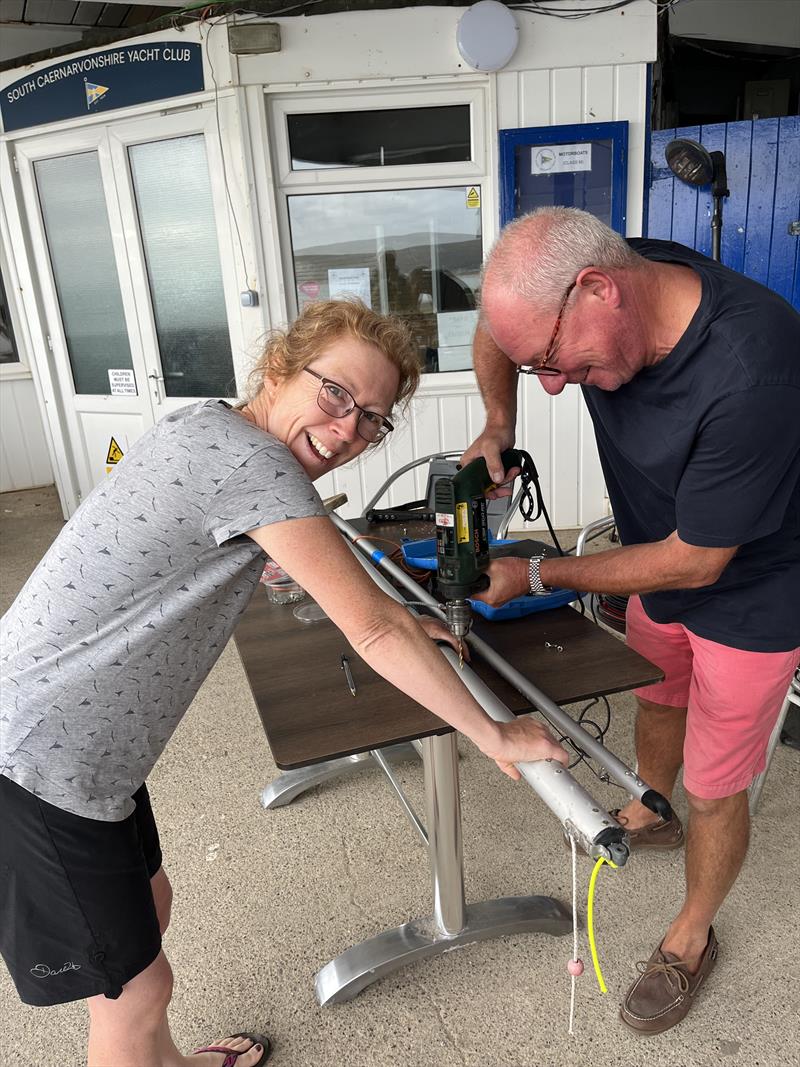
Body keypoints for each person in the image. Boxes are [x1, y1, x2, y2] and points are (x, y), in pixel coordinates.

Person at [0, 299, 568, 1067]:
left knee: (148, 911)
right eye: (335, 394)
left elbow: (311, 567)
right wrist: (493, 732)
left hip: (91, 751)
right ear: (277, 366)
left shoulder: (209, 425)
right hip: (38, 759)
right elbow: (371, 629)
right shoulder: (253, 462)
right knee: (136, 994)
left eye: (370, 419)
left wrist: (395, 612)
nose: (345, 432)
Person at [462, 207, 800, 1036]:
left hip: (749, 589)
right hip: (656, 562)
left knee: (720, 785)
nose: (549, 381)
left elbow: (698, 560)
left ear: (598, 291)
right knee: (655, 694)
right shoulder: (612, 264)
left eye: (551, 361)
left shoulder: (756, 366)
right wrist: (498, 420)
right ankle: (653, 808)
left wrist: (538, 569)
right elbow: (495, 328)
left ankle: (691, 934)